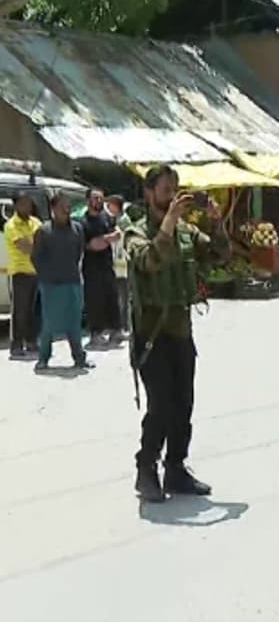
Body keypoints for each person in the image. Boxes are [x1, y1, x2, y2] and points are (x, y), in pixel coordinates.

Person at [125, 164, 228, 502]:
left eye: (175, 188)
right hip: (151, 334)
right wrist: (168, 221)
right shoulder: (134, 232)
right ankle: (146, 469)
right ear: (149, 192)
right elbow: (150, 261)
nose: (172, 194)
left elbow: (219, 254)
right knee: (161, 405)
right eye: (165, 188)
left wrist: (217, 221)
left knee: (183, 403)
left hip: (181, 331)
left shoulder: (185, 232)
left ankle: (176, 469)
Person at [31, 193, 91, 372]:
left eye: (68, 205)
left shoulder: (77, 229)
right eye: (62, 206)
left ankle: (79, 358)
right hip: (51, 285)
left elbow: (80, 251)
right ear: (53, 209)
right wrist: (46, 275)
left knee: (74, 322)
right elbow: (36, 257)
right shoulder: (44, 231)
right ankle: (43, 358)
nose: (67, 209)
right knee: (49, 323)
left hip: (73, 281)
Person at [79, 188, 124, 347]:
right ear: (88, 201)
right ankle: (95, 334)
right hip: (91, 268)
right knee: (94, 301)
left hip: (107, 265)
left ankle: (115, 331)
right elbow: (92, 245)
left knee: (112, 298)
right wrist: (108, 238)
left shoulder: (106, 218)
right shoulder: (83, 222)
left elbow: (117, 233)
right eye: (95, 198)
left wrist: (106, 239)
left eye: (101, 198)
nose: (99, 201)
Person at [4, 192, 41, 359]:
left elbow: (44, 240)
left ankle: (31, 342)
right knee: (20, 311)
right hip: (19, 273)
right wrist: (40, 247)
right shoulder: (11, 226)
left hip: (35, 272)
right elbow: (26, 247)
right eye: (24, 203)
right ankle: (16, 345)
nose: (28, 206)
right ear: (16, 205)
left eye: (29, 203)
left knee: (32, 311)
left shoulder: (35, 222)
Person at [105, 195, 131, 334]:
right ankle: (120, 324)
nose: (108, 207)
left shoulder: (123, 221)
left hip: (123, 266)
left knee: (123, 298)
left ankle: (124, 325)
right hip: (116, 266)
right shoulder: (115, 220)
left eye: (110, 205)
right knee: (119, 297)